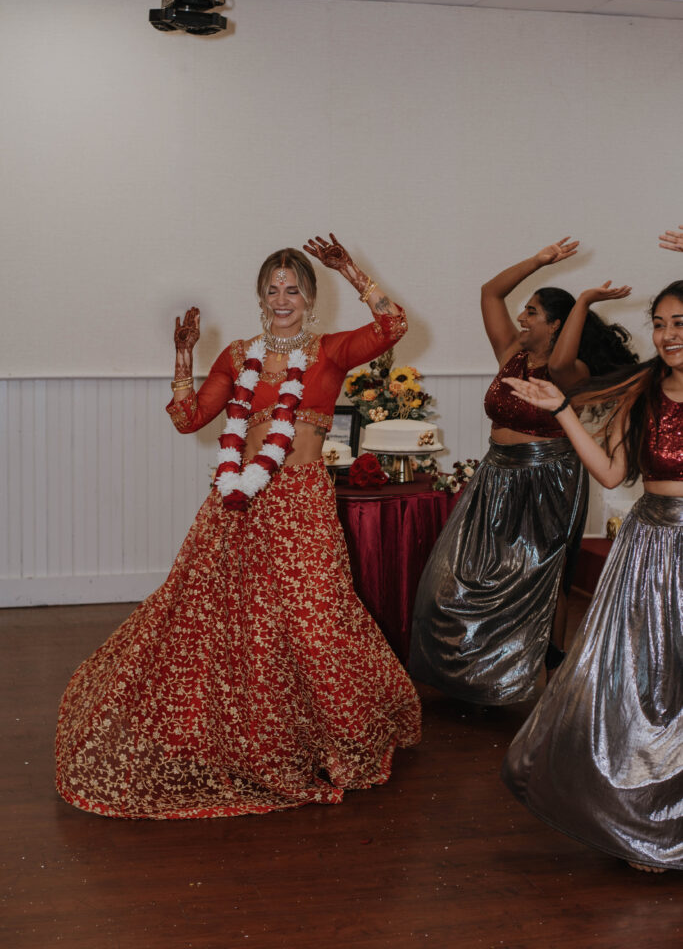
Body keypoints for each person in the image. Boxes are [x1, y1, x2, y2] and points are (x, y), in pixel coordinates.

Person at [55, 235, 421, 819]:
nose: (283, 298)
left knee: (314, 620)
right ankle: (249, 742)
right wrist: (183, 356)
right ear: (259, 296)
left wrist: (350, 269)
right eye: (273, 289)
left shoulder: (328, 352)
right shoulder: (237, 356)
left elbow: (394, 324)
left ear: (309, 296)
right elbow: (188, 419)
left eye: (294, 289)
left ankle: (326, 736)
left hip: (300, 503)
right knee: (227, 623)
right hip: (236, 506)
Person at [500, 279, 683, 873]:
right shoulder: (644, 392)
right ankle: (646, 821)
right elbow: (609, 473)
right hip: (651, 549)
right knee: (647, 685)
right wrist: (559, 411)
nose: (668, 335)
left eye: (681, 323)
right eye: (660, 323)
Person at [409, 238, 637, 704]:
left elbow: (556, 362)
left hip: (548, 480)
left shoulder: (568, 369)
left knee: (544, 579)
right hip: (495, 475)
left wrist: (587, 300)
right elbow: (489, 293)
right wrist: (537, 262)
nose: (522, 317)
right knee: (451, 579)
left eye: (533, 312)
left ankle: (551, 682)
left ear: (556, 325)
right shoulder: (509, 352)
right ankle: (473, 677)